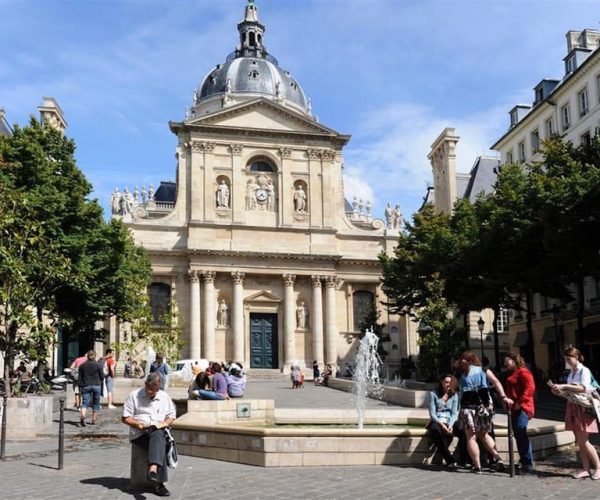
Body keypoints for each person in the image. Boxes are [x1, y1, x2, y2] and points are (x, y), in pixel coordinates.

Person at [122, 372, 176, 497]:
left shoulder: (164, 396)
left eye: (156, 390)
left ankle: (153, 470)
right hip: (139, 434)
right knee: (159, 441)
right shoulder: (134, 396)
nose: (153, 393)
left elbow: (171, 416)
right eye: (151, 390)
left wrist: (164, 423)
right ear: (146, 384)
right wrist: (139, 425)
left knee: (158, 434)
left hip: (158, 430)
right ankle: (159, 484)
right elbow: (125, 418)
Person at [550, 347, 600, 479]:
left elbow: (583, 388)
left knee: (584, 441)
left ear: (576, 357)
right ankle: (585, 468)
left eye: (569, 359)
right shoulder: (572, 372)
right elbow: (570, 394)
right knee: (580, 441)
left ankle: (598, 467)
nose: (567, 361)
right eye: (566, 359)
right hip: (573, 407)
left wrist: (564, 386)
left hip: (583, 408)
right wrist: (558, 392)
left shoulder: (585, 371)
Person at [457, 351, 510, 473]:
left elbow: (453, 387)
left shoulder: (460, 373)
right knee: (483, 434)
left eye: (464, 359)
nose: (462, 362)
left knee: (471, 437)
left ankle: (477, 466)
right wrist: (503, 397)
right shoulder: (483, 370)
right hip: (484, 406)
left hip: (468, 406)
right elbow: (496, 382)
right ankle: (498, 458)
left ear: (468, 361)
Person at [503, 352, 536, 474]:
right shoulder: (514, 373)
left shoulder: (523, 372)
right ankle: (524, 460)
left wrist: (519, 403)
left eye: (507, 361)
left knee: (521, 432)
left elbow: (530, 388)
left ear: (514, 360)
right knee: (518, 434)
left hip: (522, 408)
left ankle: (527, 462)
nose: (505, 363)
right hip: (515, 408)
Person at [427, 374, 463, 469]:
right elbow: (432, 413)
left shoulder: (454, 395)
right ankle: (450, 459)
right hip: (438, 420)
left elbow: (454, 413)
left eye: (450, 383)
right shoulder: (433, 394)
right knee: (435, 431)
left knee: (463, 430)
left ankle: (464, 459)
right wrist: (442, 424)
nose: (448, 385)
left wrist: (450, 425)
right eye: (446, 382)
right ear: (441, 382)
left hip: (449, 420)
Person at [78, 350, 104, 427]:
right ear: (95, 356)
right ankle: (93, 420)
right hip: (96, 385)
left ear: (87, 356)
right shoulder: (98, 365)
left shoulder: (82, 365)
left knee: (85, 402)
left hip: (86, 385)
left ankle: (83, 416)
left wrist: (80, 386)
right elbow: (102, 376)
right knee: (96, 402)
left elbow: (80, 378)